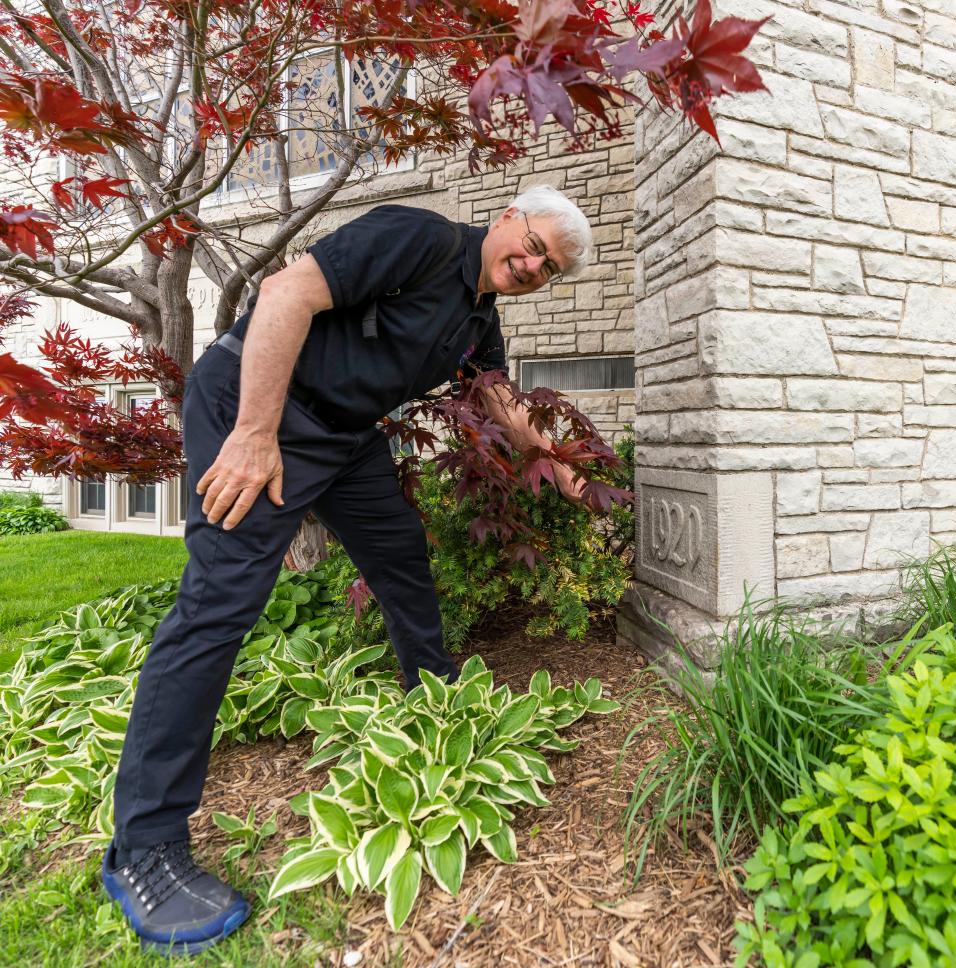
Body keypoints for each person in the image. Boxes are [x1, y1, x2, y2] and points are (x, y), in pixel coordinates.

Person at [100, 185, 593, 955]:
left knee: (402, 557)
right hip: (258, 406)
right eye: (531, 245)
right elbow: (286, 292)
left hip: (343, 437)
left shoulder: (476, 317)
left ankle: (431, 688)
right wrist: (256, 432)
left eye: (548, 269)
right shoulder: (420, 238)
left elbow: (497, 400)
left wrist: (565, 471)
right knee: (220, 607)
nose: (531, 265)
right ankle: (145, 848)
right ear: (505, 218)